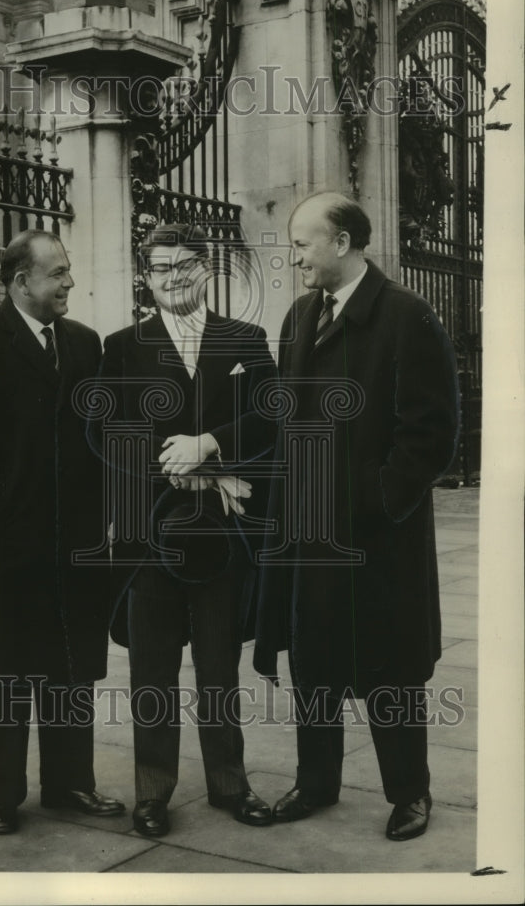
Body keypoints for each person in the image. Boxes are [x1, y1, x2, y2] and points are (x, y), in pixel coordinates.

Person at [253, 192, 460, 841]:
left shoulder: (406, 317)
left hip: (377, 542)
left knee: (389, 668)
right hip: (310, 535)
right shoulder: (297, 318)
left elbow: (429, 435)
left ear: (341, 242)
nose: (295, 257)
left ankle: (409, 794)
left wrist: (369, 500)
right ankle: (315, 783)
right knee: (313, 660)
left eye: (303, 242)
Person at [0, 229, 124, 836]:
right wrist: (0, 510)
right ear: (21, 282)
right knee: (11, 669)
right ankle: (5, 795)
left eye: (68, 271)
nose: (69, 282)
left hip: (76, 540)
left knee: (70, 663)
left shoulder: (86, 344)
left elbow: (102, 436)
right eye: (58, 272)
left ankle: (70, 784)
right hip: (5, 541)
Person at [89, 223, 278, 837]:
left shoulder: (245, 339)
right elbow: (105, 432)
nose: (175, 277)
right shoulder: (122, 346)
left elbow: (271, 417)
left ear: (207, 271)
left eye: (187, 265)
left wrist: (211, 445)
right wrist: (172, 465)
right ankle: (152, 793)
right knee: (151, 669)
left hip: (222, 537)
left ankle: (230, 784)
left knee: (221, 664)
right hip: (152, 533)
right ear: (146, 276)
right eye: (161, 266)